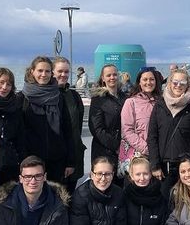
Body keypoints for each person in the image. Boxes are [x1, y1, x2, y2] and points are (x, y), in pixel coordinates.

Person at [147, 68, 190, 197]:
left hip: (185, 167)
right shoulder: (159, 106)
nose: (178, 85)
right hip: (163, 166)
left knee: (185, 205)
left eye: (182, 83)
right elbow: (152, 136)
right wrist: (155, 165)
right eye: (175, 82)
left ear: (188, 85)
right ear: (170, 83)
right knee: (164, 204)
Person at [20, 56, 75, 186]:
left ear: (51, 73)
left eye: (47, 71)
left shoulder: (58, 97)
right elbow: (19, 133)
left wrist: (70, 162)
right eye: (40, 70)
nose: (43, 74)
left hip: (57, 160)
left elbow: (67, 130)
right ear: (32, 71)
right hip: (32, 161)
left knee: (56, 198)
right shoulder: (22, 98)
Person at [52, 57, 86, 193]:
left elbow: (76, 128)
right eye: (60, 71)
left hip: (74, 157)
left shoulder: (74, 96)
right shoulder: (47, 95)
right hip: (54, 160)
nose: (63, 75)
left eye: (66, 72)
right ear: (52, 72)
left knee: (70, 199)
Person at [119, 67, 162, 176]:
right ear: (139, 82)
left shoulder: (161, 102)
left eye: (152, 79)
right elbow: (127, 131)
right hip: (139, 155)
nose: (148, 82)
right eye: (145, 79)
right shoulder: (131, 102)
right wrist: (147, 149)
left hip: (160, 155)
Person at [88, 64, 127, 171]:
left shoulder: (125, 97)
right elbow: (96, 128)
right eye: (108, 75)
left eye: (114, 74)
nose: (112, 77)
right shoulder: (98, 99)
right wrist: (115, 146)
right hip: (104, 151)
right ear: (103, 78)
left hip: (125, 150)